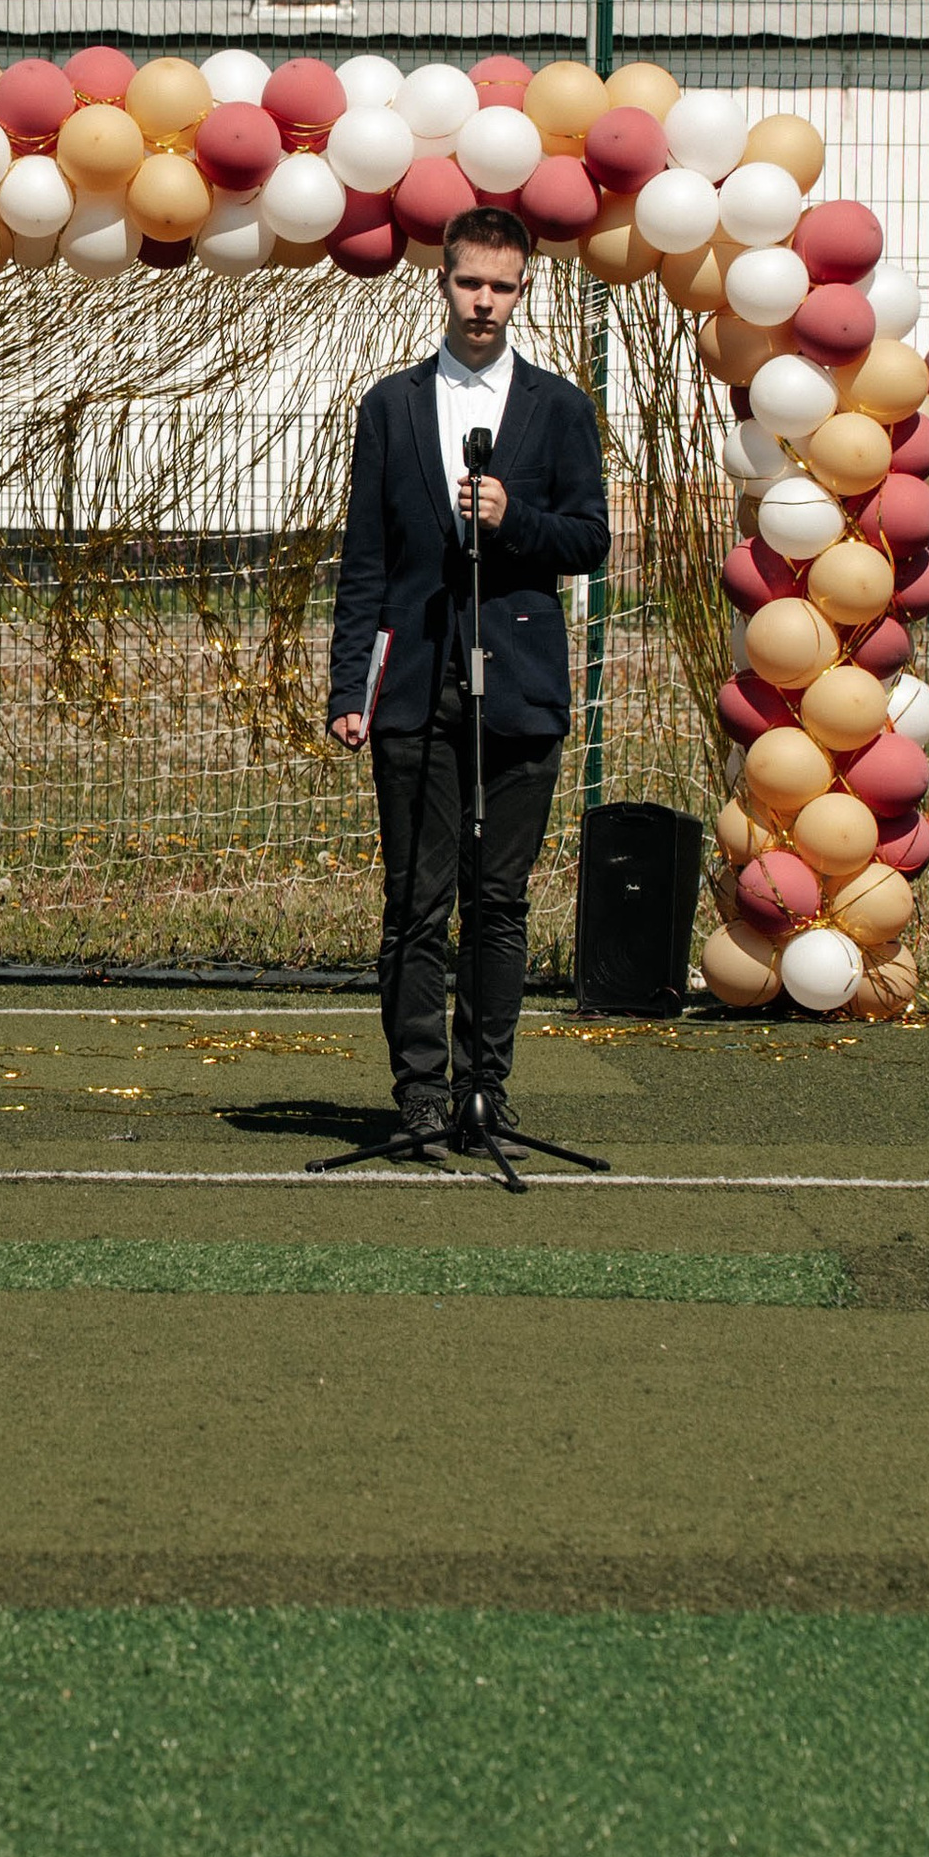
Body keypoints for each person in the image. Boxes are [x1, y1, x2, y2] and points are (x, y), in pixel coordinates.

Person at [327, 200, 610, 1160]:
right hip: (415, 687)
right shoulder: (392, 406)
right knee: (416, 901)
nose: (483, 302)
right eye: (468, 283)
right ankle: (417, 1094)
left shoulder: (560, 409)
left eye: (502, 286)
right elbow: (365, 559)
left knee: (500, 901)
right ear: (442, 284)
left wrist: (511, 517)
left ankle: (485, 1088)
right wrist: (347, 691)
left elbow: (590, 538)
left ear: (523, 292)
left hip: (519, 687)